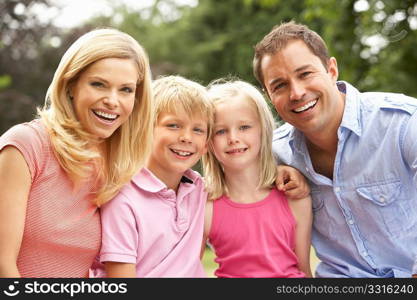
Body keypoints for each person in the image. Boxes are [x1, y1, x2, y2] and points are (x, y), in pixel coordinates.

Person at [253, 21, 417, 277]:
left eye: (305, 74)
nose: (296, 93)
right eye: (280, 85)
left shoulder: (402, 123)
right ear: (268, 95)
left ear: (331, 70)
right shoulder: (273, 154)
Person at [0, 28, 153, 277]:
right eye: (98, 84)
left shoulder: (118, 166)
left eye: (125, 90)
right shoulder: (25, 145)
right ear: (70, 84)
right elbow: (2, 265)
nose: (112, 101)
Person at [91, 75, 213, 277]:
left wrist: (280, 171)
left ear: (206, 145)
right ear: (144, 130)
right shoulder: (122, 199)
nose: (186, 137)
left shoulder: (200, 190)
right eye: (173, 125)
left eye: (198, 130)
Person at [201, 79, 312, 278]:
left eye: (244, 127)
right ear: (208, 141)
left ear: (263, 130)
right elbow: (188, 269)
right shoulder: (205, 206)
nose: (233, 138)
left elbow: (303, 269)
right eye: (221, 131)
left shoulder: (294, 195)